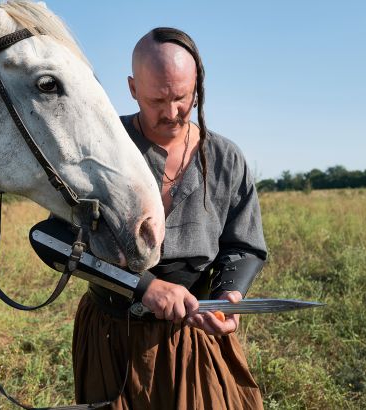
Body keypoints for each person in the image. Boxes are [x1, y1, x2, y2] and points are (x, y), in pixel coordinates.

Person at [72, 27, 268, 409]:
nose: (172, 112)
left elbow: (243, 244)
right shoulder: (99, 151)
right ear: (132, 88)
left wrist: (229, 295)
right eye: (157, 99)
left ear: (198, 84)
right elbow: (59, 241)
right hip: (113, 333)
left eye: (182, 97)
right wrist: (144, 286)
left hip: (195, 336)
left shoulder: (226, 158)